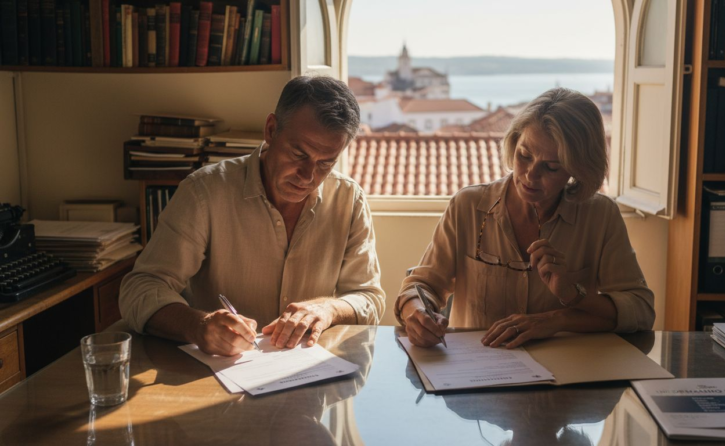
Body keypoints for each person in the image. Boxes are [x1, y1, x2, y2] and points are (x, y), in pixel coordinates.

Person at [120, 76, 385, 356]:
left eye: (326, 163)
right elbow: (141, 288)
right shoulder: (204, 192)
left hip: (309, 375)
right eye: (298, 154)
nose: (308, 177)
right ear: (271, 130)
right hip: (217, 375)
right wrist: (198, 325)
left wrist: (328, 308)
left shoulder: (348, 199)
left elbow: (368, 298)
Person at [396, 87, 654, 348]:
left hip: (564, 375)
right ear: (513, 143)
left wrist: (563, 313)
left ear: (577, 169)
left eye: (551, 167)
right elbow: (420, 285)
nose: (530, 175)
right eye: (524, 156)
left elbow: (641, 310)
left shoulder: (600, 216)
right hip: (476, 375)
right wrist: (416, 313)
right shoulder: (468, 206)